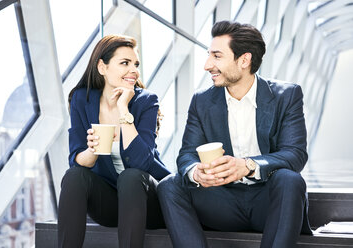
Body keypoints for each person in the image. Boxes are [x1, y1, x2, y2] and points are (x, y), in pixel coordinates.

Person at [157, 21, 312, 248]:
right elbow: (187, 155)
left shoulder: (286, 96)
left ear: (244, 60)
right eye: (209, 55)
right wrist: (196, 172)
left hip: (267, 204)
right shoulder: (202, 101)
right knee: (170, 184)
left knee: (290, 179)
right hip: (222, 201)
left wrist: (248, 165)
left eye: (217, 56)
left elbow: (295, 154)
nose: (207, 65)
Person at [58, 34, 170, 248]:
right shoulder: (82, 99)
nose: (134, 70)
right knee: (74, 176)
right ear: (102, 67)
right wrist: (92, 149)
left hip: (149, 204)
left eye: (135, 64)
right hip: (110, 205)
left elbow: (143, 163)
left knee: (130, 176)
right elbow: (78, 159)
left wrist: (123, 110)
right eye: (124, 63)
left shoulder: (146, 101)